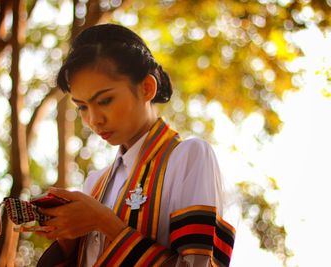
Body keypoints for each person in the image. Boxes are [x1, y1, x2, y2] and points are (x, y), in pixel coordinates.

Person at [36, 23, 235, 267]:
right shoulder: (95, 183)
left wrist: (104, 222)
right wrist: (68, 240)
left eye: (105, 100)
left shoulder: (189, 156)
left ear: (147, 88)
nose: (94, 120)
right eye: (82, 107)